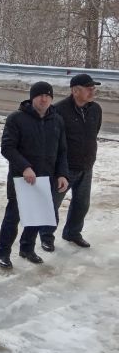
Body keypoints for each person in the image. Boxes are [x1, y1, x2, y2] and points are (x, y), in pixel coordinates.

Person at [0, 82, 69, 268]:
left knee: (36, 218)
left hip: (46, 178)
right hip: (21, 178)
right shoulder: (16, 119)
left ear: (52, 98)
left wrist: (62, 174)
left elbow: (62, 151)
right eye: (39, 95)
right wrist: (25, 167)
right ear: (32, 97)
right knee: (13, 218)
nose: (44, 99)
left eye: (48, 95)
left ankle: (27, 248)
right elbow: (8, 148)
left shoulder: (57, 120)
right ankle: (3, 252)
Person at [53, 74, 102, 248]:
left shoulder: (96, 109)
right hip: (65, 168)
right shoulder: (59, 110)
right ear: (75, 91)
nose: (92, 91)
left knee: (82, 204)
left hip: (86, 166)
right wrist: (60, 169)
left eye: (93, 88)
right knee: (53, 205)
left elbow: (93, 134)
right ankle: (46, 237)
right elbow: (54, 141)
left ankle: (72, 233)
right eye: (89, 88)